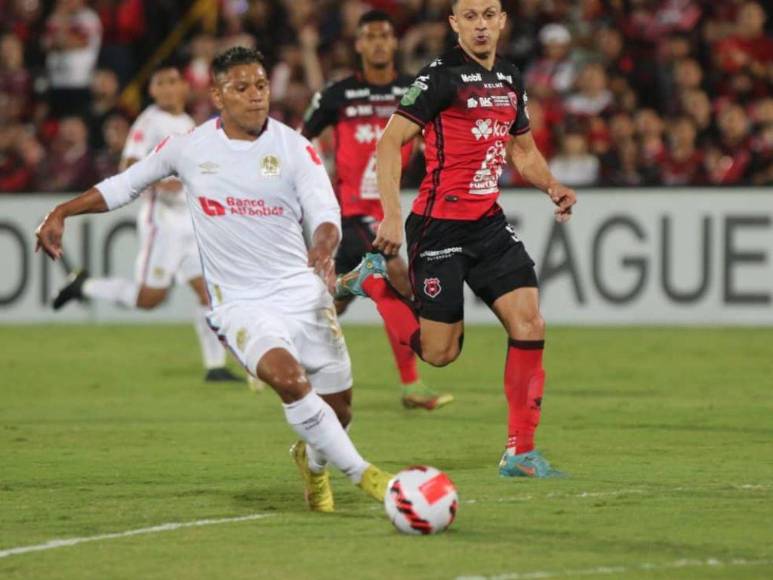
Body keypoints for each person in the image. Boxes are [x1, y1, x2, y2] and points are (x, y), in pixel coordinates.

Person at [35, 47, 392, 512]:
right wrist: (62, 210)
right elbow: (127, 184)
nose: (255, 96)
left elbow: (324, 210)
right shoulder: (190, 146)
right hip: (239, 303)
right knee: (288, 379)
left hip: (302, 294)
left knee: (339, 411)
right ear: (218, 95)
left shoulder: (293, 146)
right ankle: (367, 476)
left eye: (261, 86)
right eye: (241, 88)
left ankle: (315, 464)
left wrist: (323, 248)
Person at [337, 0, 577, 478]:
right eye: (470, 16)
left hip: (488, 224)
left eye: (489, 14)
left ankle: (520, 453)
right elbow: (390, 142)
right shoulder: (439, 76)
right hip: (438, 226)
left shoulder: (510, 77)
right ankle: (377, 287)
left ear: (503, 20)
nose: (481, 24)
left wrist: (551, 184)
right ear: (455, 24)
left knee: (530, 323)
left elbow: (523, 152)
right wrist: (390, 213)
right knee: (441, 353)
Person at [301, 10, 452, 411]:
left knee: (338, 300)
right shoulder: (337, 94)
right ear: (359, 44)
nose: (380, 42)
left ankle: (286, 344)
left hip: (386, 209)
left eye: (386, 35)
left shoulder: (413, 91)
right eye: (371, 36)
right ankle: (412, 385)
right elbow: (301, 141)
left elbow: (439, 136)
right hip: (348, 211)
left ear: (394, 42)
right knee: (395, 273)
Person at [51, 62, 239, 383]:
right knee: (149, 300)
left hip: (190, 221)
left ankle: (215, 367)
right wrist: (163, 185)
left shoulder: (187, 121)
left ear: (184, 87)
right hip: (162, 223)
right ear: (151, 91)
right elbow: (129, 164)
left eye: (173, 81)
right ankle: (85, 285)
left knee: (207, 292)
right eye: (160, 82)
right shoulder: (149, 120)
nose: (167, 88)